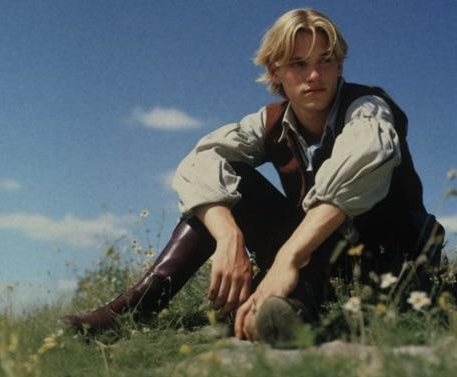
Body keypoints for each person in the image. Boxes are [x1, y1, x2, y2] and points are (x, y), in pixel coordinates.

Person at [64, 8, 444, 342]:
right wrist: (229, 237)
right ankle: (136, 309)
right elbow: (200, 161)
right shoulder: (269, 123)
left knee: (321, 225)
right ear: (276, 71)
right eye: (298, 64)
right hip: (314, 260)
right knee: (222, 187)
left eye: (326, 60)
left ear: (340, 66)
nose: (314, 75)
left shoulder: (367, 108)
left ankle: (286, 310)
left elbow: (365, 159)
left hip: (387, 259)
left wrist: (287, 259)